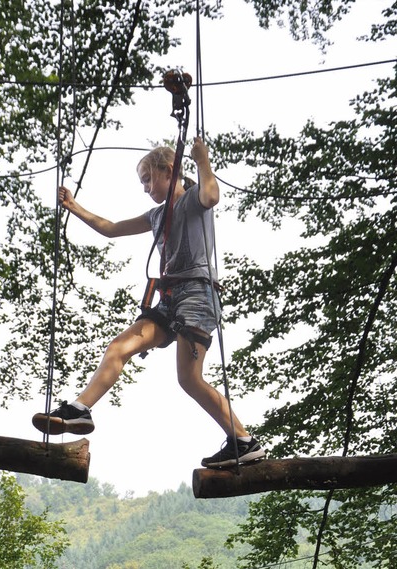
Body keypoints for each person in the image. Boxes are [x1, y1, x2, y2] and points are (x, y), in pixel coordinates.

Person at [32, 138, 264, 468]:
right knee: (119, 348)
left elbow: (212, 194)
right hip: (169, 300)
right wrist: (75, 207)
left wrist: (202, 160)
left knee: (189, 378)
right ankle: (80, 410)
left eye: (147, 179)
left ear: (168, 171)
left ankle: (243, 440)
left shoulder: (193, 202)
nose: (144, 188)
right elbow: (111, 229)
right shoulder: (155, 215)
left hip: (197, 294)